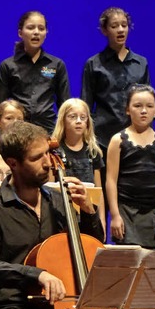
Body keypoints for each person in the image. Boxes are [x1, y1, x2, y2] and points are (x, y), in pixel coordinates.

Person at [0, 120, 152, 309]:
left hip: (66, 307)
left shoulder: (57, 202)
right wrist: (38, 274)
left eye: (47, 153)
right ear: (13, 164)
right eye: (37, 158)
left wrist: (88, 210)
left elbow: (90, 250)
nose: (48, 163)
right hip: (13, 307)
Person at [106, 84, 155, 249]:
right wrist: (115, 215)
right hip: (127, 212)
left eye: (149, 106)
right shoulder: (118, 140)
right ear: (127, 110)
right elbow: (111, 180)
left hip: (154, 212)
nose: (143, 111)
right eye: (137, 106)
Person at [81, 7, 150, 152]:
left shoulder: (141, 63)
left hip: (135, 137)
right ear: (105, 30)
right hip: (103, 138)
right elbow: (86, 103)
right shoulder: (94, 64)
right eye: (114, 26)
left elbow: (147, 102)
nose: (120, 30)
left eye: (124, 25)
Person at [0, 11, 70, 134]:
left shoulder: (57, 65)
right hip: (17, 132)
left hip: (47, 131)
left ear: (46, 33)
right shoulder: (7, 65)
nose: (36, 32)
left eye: (41, 28)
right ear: (20, 33)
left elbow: (65, 105)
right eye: (30, 28)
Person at [51, 98, 106, 232]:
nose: (78, 121)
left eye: (83, 117)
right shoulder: (54, 151)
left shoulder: (93, 151)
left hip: (88, 212)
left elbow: (99, 191)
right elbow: (50, 188)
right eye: (72, 117)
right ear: (63, 120)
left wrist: (101, 220)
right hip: (63, 215)